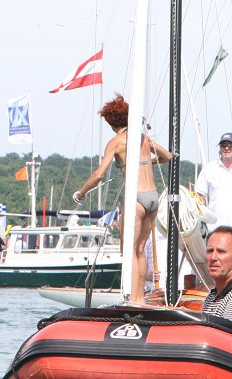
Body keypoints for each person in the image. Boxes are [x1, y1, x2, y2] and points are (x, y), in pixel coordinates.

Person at [73, 94, 172, 304]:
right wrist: (145, 163)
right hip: (153, 197)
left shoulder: (116, 142)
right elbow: (167, 156)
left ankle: (134, 298)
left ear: (110, 122)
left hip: (136, 198)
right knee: (140, 250)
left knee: (129, 250)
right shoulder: (143, 138)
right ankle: (140, 299)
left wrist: (80, 193)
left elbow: (99, 174)